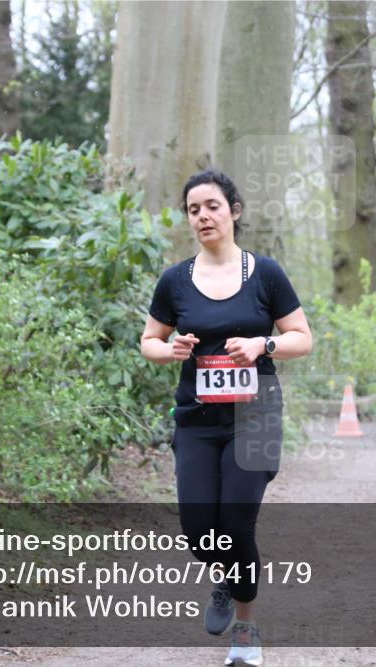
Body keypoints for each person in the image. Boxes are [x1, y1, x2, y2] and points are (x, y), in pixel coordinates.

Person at [140, 169, 312, 666]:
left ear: (234, 211)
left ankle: (246, 628)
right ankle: (224, 573)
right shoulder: (175, 281)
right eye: (193, 209)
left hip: (255, 417)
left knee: (236, 524)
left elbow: (302, 337)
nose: (203, 216)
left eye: (212, 206)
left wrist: (264, 345)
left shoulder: (265, 274)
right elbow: (150, 341)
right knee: (200, 532)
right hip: (197, 420)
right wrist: (170, 350)